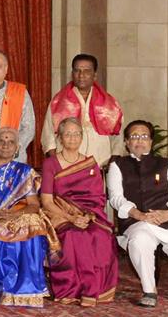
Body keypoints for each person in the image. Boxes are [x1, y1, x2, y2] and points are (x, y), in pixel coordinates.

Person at [106, 120, 168, 307]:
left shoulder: (167, 164)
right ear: (126, 142)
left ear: (151, 142)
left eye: (144, 136)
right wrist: (138, 214)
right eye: (134, 136)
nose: (139, 140)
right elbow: (115, 198)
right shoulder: (117, 165)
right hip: (138, 221)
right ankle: (149, 291)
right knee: (140, 241)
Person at [0, 127, 54, 307]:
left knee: (33, 225)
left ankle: (25, 289)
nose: (6, 145)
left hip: (15, 213)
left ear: (17, 148)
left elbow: (34, 204)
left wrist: (15, 214)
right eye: (1, 141)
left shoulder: (23, 170)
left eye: (11, 142)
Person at [40, 117, 118, 305]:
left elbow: (98, 199)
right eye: (68, 134)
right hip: (59, 213)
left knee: (101, 236)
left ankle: (96, 290)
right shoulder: (50, 164)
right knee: (74, 236)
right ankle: (71, 289)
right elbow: (47, 201)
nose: (73, 138)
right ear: (59, 137)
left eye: (77, 134)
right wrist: (71, 218)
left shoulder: (90, 165)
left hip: (88, 215)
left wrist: (87, 216)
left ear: (82, 137)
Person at [42, 53, 124, 167]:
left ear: (94, 75)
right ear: (72, 74)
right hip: (67, 167)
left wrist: (111, 164)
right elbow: (48, 137)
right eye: (77, 70)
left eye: (87, 71)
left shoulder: (109, 103)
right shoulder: (58, 102)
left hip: (100, 165)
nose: (81, 75)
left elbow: (118, 139)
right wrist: (57, 165)